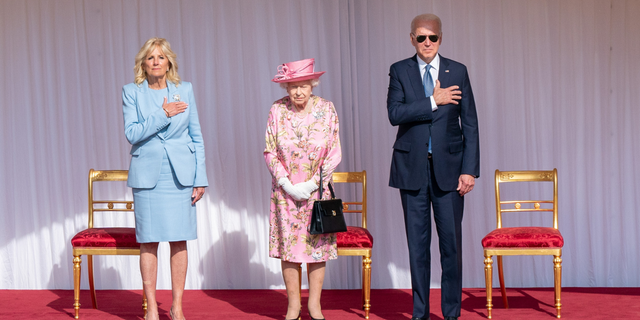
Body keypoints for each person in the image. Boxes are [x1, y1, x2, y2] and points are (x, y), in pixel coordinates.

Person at [386, 14, 480, 320]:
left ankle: (452, 314)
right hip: (411, 169)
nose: (427, 43)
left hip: (451, 173)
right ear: (411, 38)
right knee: (418, 248)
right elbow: (395, 113)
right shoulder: (400, 70)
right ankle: (420, 314)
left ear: (441, 38)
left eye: (433, 38)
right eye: (421, 37)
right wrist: (433, 100)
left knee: (451, 247)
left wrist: (469, 169)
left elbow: (470, 125)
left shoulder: (459, 71)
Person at [122, 37, 208, 320]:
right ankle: (151, 310)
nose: (156, 61)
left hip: (181, 176)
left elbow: (196, 136)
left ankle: (178, 307)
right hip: (148, 176)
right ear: (143, 64)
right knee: (148, 241)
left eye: (161, 57)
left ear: (169, 61)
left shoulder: (185, 90)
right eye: (150, 58)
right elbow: (133, 134)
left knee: (179, 240)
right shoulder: (131, 92)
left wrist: (200, 178)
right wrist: (162, 114)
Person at [264, 58, 342, 320]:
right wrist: (287, 184)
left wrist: (311, 185)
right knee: (290, 249)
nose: (298, 91)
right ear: (285, 88)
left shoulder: (327, 109)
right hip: (285, 195)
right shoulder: (277, 110)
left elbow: (334, 151)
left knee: (316, 249)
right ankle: (293, 307)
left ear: (313, 84)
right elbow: (269, 150)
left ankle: (314, 307)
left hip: (316, 193)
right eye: (292, 86)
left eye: (303, 85)